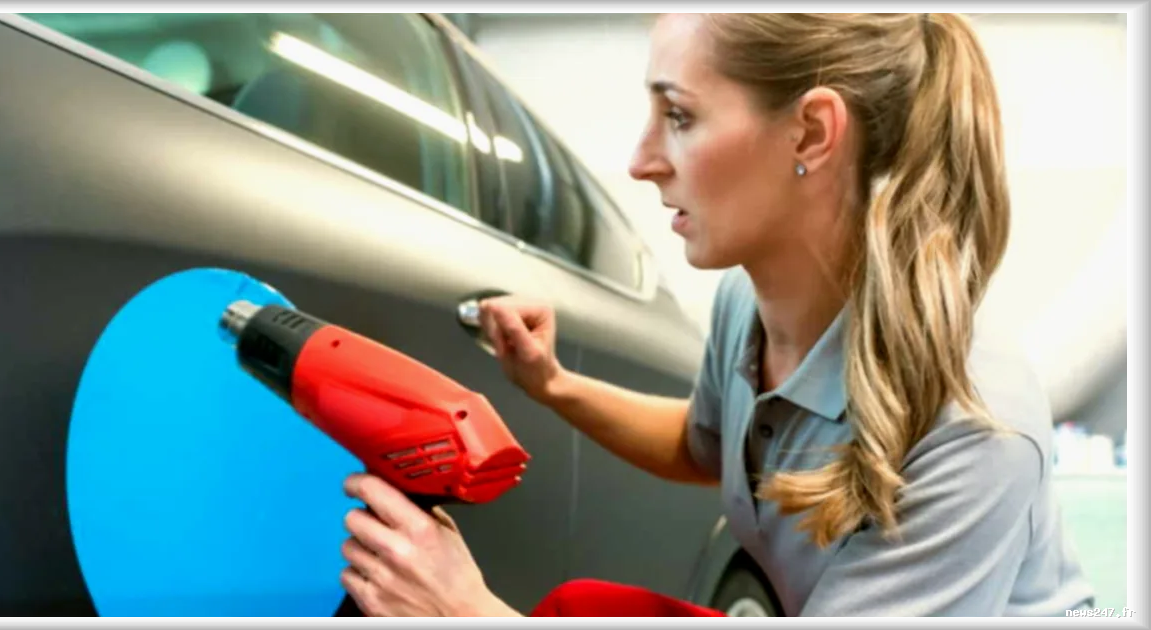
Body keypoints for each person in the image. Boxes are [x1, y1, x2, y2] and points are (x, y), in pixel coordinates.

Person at [337, 12, 1098, 617]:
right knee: (588, 608)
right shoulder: (749, 302)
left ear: (810, 132)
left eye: (679, 116)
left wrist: (464, 610)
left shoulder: (975, 430)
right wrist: (552, 384)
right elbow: (705, 443)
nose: (640, 159)